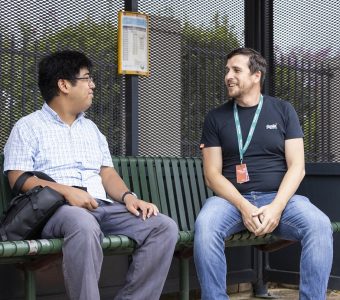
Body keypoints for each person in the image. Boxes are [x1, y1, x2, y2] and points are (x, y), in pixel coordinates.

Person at [4, 50, 178, 300]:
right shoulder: (28, 127)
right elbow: (18, 179)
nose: (93, 85)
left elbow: (106, 173)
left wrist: (129, 197)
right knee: (83, 223)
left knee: (163, 227)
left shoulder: (92, 129)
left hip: (102, 207)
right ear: (64, 84)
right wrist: (67, 192)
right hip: (58, 211)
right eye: (86, 78)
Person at [194, 47, 333, 300]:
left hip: (280, 200)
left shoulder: (283, 110)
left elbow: (297, 167)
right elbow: (212, 175)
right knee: (206, 225)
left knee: (319, 224)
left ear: (256, 75)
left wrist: (277, 207)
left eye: (236, 70)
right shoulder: (215, 118)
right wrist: (245, 207)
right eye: (227, 70)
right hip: (231, 202)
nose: (228, 76)